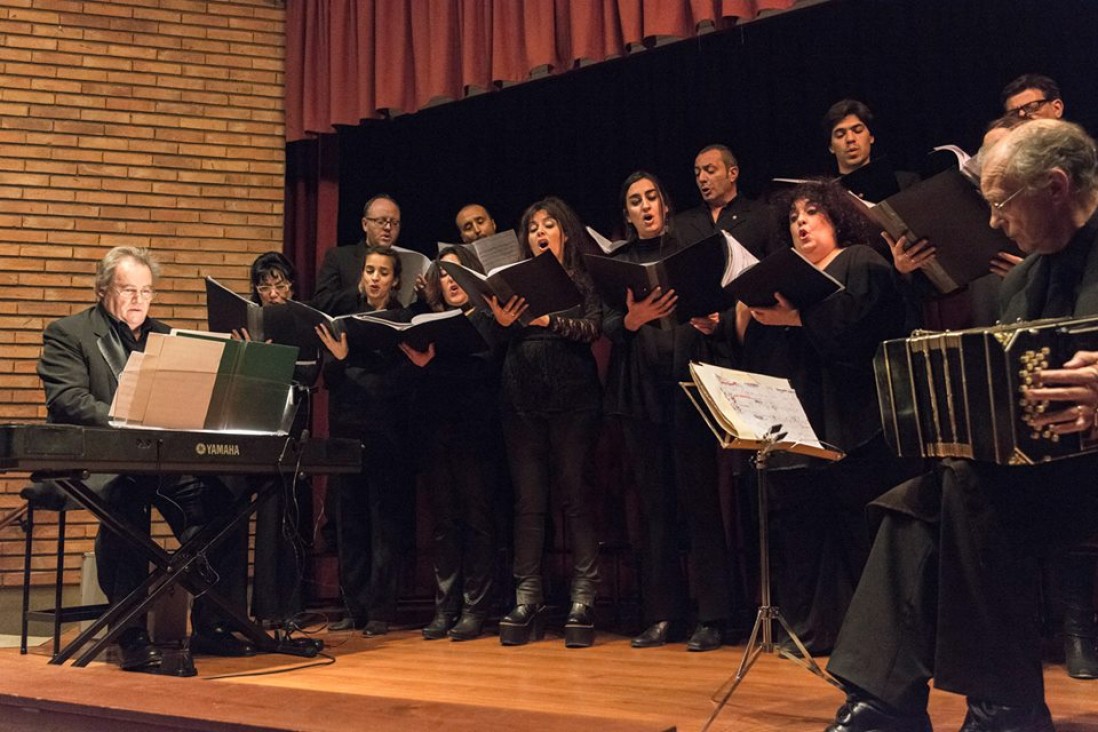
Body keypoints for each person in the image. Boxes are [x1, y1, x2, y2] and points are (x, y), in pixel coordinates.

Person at [824, 119, 1098, 732]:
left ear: (1055, 186)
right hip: (1048, 482)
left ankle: (970, 703)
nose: (995, 223)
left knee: (962, 489)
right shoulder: (1024, 278)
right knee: (931, 492)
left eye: (1000, 203)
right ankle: (946, 701)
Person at [36, 246, 253, 672]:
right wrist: (128, 415)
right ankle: (130, 634)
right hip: (107, 464)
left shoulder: (169, 338)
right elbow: (67, 400)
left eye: (147, 291)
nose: (138, 299)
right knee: (124, 508)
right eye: (128, 289)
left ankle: (214, 625)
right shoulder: (68, 333)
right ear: (103, 290)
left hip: (164, 462)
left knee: (223, 505)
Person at [737, 180, 920, 654]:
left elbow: (867, 331)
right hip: (803, 417)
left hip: (854, 417)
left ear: (836, 219)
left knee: (857, 527)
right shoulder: (787, 280)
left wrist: (801, 320)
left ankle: (874, 639)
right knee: (804, 528)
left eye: (812, 212)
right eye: (794, 217)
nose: (801, 221)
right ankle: (814, 630)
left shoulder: (861, 261)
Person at [603, 171, 739, 652]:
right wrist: (631, 319)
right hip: (640, 394)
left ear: (665, 205)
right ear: (627, 213)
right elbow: (604, 322)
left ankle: (713, 614)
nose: (644, 206)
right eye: (635, 201)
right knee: (656, 509)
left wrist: (713, 322)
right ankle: (664, 614)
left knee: (701, 504)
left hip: (689, 389)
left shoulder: (693, 250)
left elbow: (724, 313)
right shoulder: (618, 262)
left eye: (652, 198)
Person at [489, 196, 602, 648]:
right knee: (529, 504)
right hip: (521, 401)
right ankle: (527, 597)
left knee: (575, 499)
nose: (539, 232)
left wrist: (548, 319)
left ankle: (583, 597)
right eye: (532, 226)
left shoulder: (583, 275)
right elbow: (499, 342)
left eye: (548, 224)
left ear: (565, 232)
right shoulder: (514, 282)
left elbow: (593, 328)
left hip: (574, 401)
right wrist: (501, 321)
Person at [316, 246, 418, 637]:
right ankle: (352, 607)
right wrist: (339, 358)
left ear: (395, 280)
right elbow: (331, 378)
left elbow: (405, 380)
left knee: (383, 522)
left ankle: (379, 609)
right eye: (370, 271)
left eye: (383, 272)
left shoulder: (405, 320)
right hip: (346, 427)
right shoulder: (343, 320)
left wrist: (372, 379)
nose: (375, 278)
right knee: (350, 522)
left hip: (387, 431)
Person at [409, 246, 505, 641]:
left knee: (478, 522)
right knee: (444, 523)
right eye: (443, 274)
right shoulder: (431, 322)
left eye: (457, 272)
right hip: (437, 433)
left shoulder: (490, 319)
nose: (450, 280)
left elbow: (491, 370)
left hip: (478, 434)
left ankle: (474, 608)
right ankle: (445, 606)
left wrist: (438, 365)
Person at [243, 251, 318, 628]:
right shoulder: (247, 322)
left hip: (294, 418)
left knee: (291, 509)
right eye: (265, 286)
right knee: (266, 511)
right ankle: (265, 607)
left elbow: (313, 373)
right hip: (256, 421)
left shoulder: (304, 319)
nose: (273, 293)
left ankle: (292, 605)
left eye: (280, 284)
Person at [673, 144, 781, 259]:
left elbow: (777, 266)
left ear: (732, 174)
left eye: (710, 170)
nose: (702, 178)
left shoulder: (762, 216)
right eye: (697, 173)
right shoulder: (682, 224)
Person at [313, 194, 403, 316]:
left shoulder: (401, 260)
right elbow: (320, 303)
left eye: (394, 223)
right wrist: (359, 290)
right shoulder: (339, 257)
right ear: (365, 224)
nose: (388, 227)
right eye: (381, 221)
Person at [823, 99, 919, 204]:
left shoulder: (905, 182)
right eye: (840, 134)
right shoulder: (826, 197)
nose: (850, 139)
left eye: (858, 130)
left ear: (871, 137)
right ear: (831, 147)